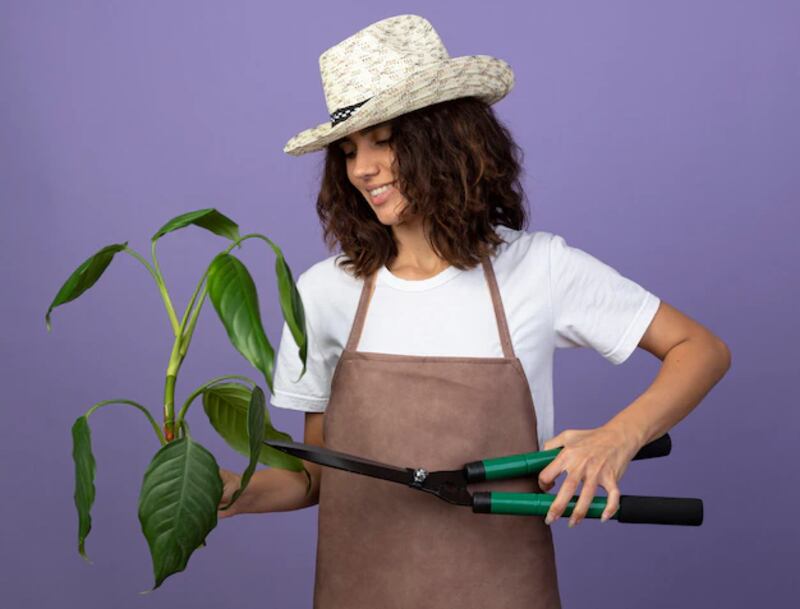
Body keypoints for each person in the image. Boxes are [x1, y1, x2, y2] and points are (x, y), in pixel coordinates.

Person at [217, 14, 731, 608]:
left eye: (384, 141)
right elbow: (315, 477)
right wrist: (226, 492)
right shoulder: (322, 294)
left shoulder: (538, 269)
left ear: (446, 138)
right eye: (350, 149)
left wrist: (617, 438)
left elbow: (702, 350)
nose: (363, 168)